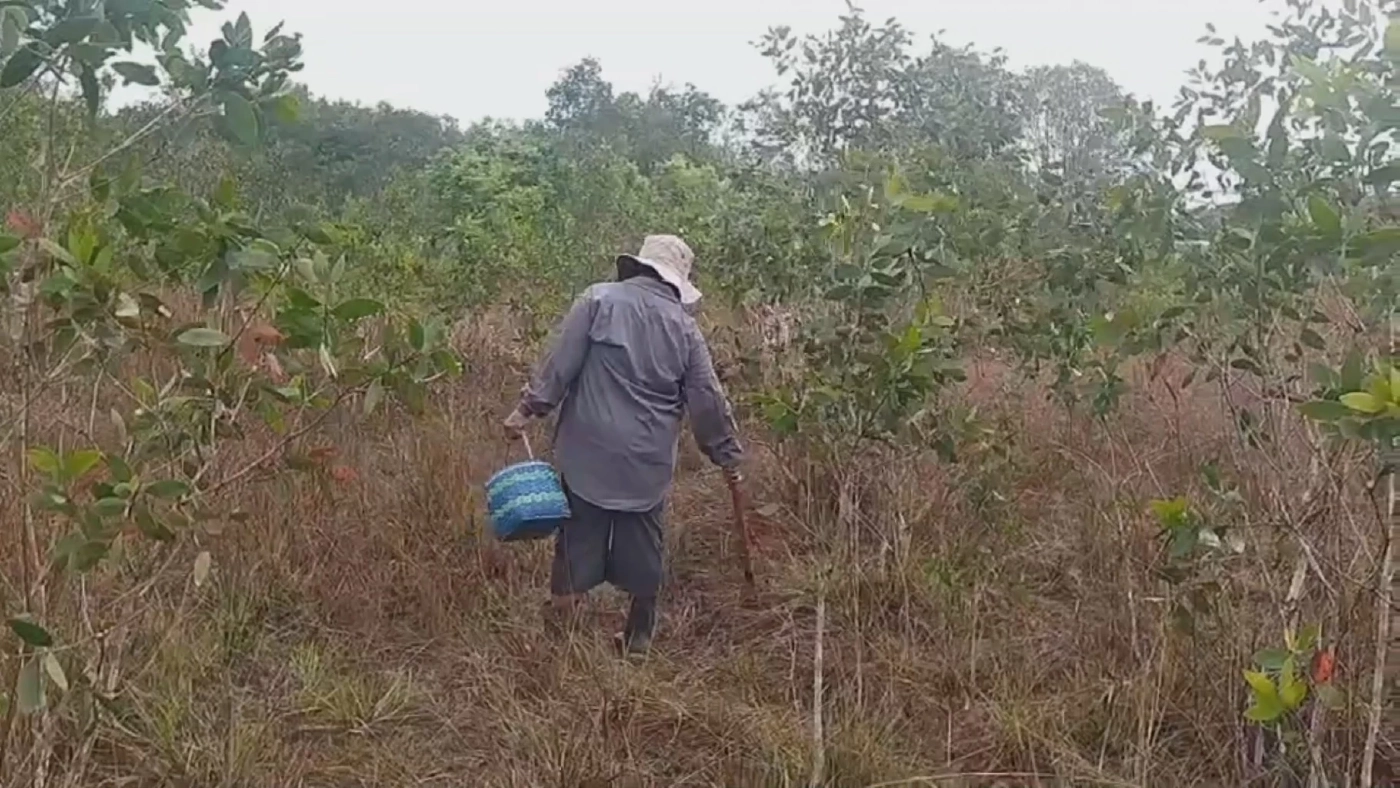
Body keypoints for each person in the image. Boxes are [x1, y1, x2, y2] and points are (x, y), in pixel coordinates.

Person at [502, 234, 744, 656]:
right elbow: (708, 400)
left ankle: (559, 647)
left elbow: (559, 366)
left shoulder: (597, 301)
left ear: (638, 266)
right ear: (675, 283)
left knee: (576, 540)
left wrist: (527, 410)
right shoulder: (686, 330)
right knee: (645, 549)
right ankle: (637, 643)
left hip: (587, 457)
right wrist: (726, 456)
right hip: (645, 467)